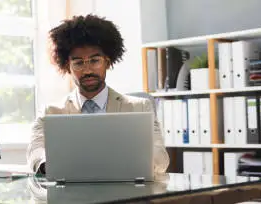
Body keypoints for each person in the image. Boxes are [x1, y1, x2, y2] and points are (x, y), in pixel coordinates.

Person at [27, 14, 170, 175]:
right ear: (68, 67)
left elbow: (160, 158)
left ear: (107, 62)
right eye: (78, 63)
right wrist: (53, 165)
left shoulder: (140, 107)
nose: (87, 70)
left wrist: (124, 164)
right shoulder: (50, 112)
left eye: (94, 61)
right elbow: (35, 154)